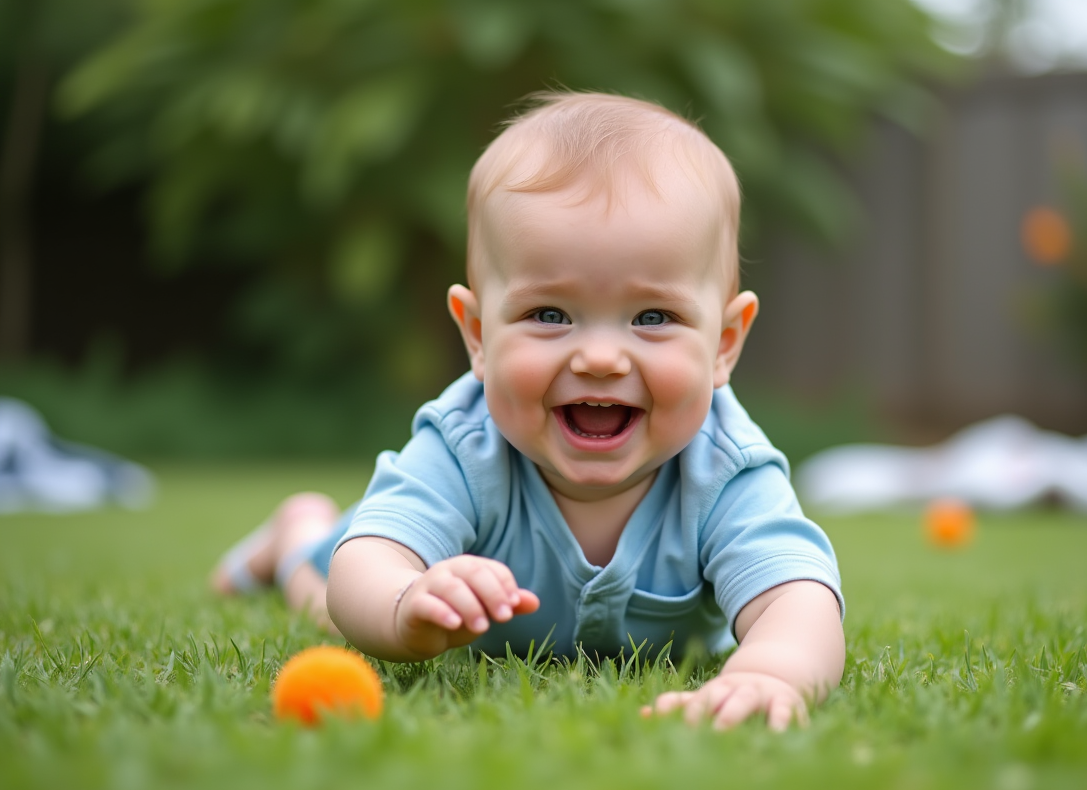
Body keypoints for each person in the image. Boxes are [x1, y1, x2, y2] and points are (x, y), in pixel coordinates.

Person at [211, 91, 845, 731]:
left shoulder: (727, 470)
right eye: (550, 315)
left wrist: (769, 672)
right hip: (384, 579)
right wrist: (406, 603)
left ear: (724, 344)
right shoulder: (465, 445)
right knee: (326, 602)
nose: (600, 358)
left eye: (653, 317)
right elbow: (368, 564)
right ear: (479, 335)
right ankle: (297, 534)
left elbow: (797, 600)